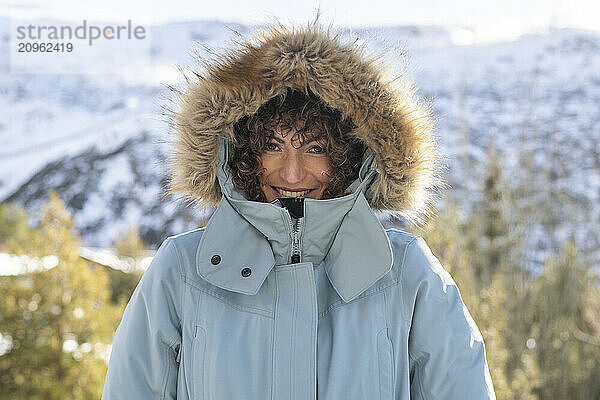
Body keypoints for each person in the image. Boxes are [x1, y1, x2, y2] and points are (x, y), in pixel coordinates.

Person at [101, 21, 496, 399]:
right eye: (272, 146)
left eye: (315, 148)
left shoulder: (407, 275)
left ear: (350, 157)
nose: (291, 172)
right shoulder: (182, 272)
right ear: (241, 154)